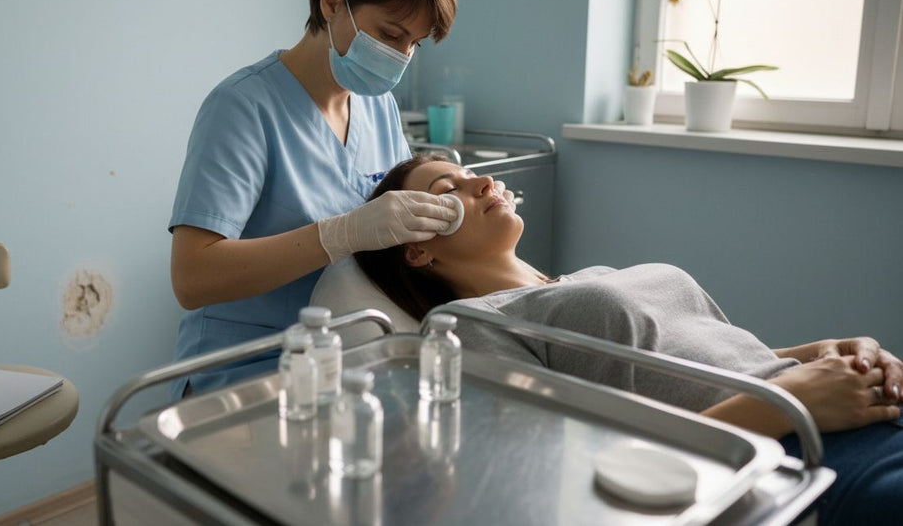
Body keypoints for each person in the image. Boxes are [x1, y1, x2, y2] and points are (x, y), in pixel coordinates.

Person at [355, 155, 902, 525]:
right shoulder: (469, 324)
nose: (481, 183)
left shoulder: (589, 276)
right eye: (447, 191)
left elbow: (701, 358)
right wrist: (789, 403)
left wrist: (822, 353)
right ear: (418, 249)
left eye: (473, 175)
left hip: (839, 404)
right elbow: (572, 473)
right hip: (784, 455)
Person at [168, 0, 467, 397]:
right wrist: (342, 234)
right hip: (247, 374)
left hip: (347, 365)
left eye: (413, 44)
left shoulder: (379, 107)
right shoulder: (243, 106)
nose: (401, 57)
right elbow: (192, 278)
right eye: (390, 35)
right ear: (332, 3)